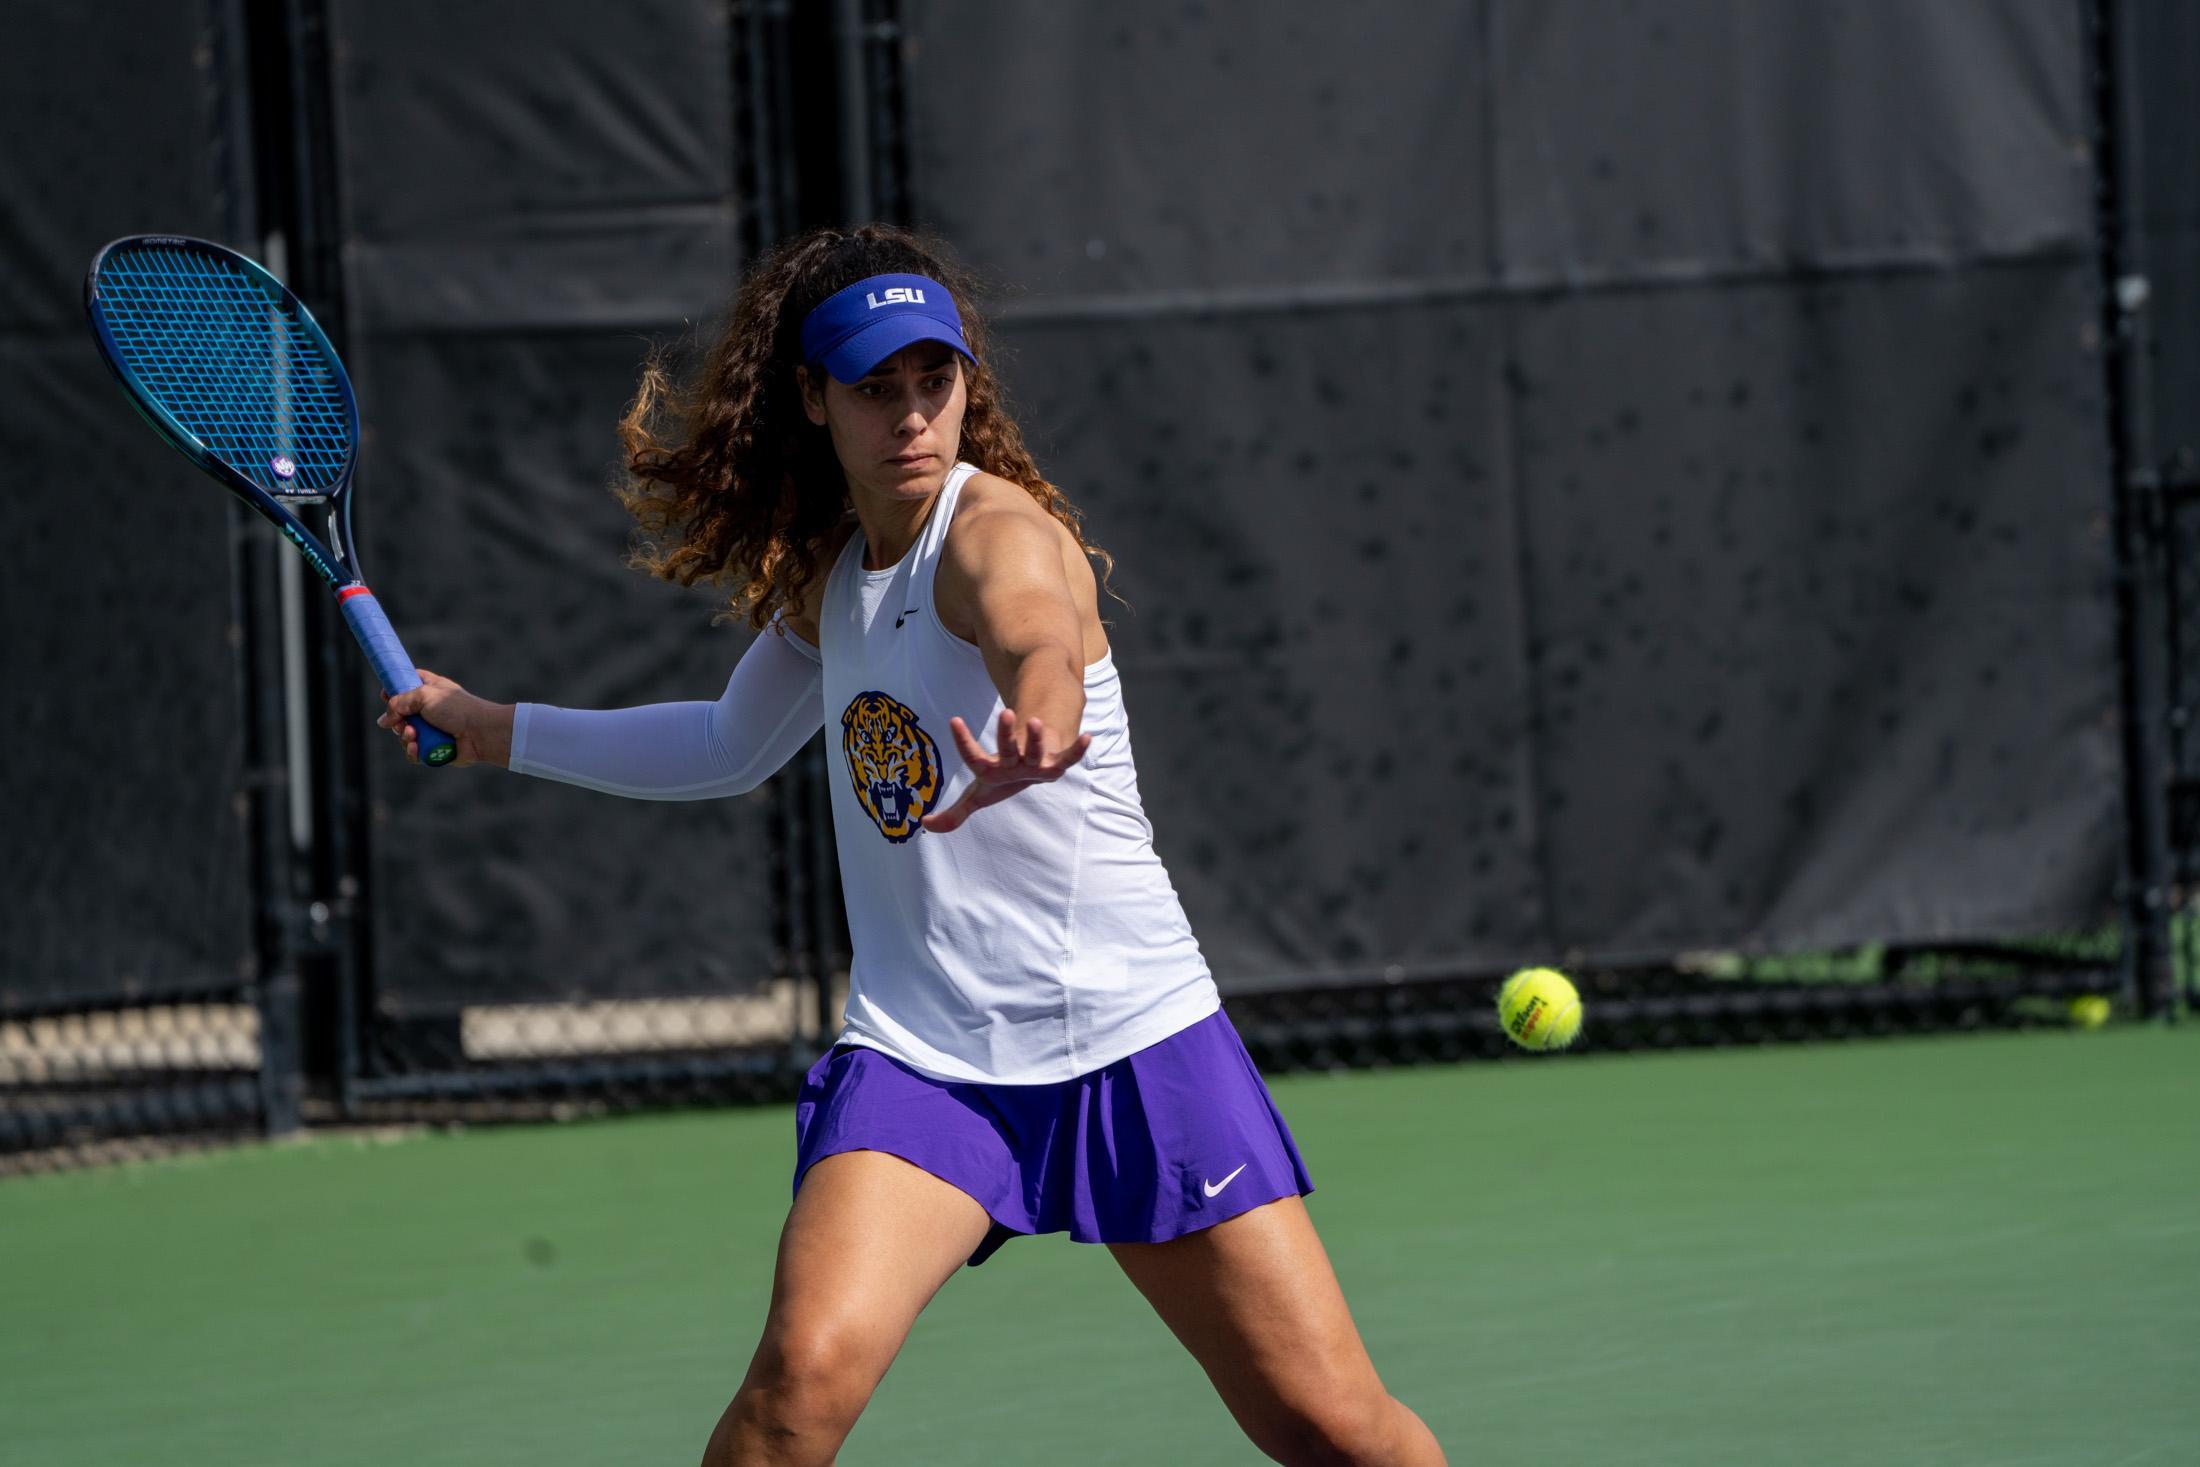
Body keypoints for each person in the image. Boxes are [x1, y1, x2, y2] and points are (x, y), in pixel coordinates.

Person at [379, 224, 1446, 1467]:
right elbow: (726, 744)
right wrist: (493, 728)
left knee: (1333, 1429)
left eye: (932, 381)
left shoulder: (997, 534)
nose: (910, 415)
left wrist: (1038, 723)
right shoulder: (835, 578)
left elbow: (1035, 632)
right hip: (926, 1060)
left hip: (1131, 1039)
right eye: (874, 388)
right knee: (795, 1393)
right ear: (812, 401)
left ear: (964, 384)